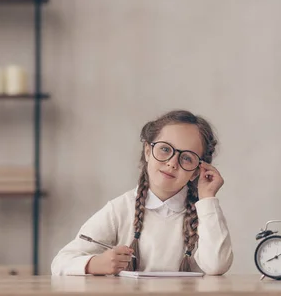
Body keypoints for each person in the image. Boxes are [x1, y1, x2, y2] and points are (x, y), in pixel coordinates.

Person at [51, 110, 233, 276]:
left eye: (186, 157)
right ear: (147, 151)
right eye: (165, 149)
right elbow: (61, 262)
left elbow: (216, 265)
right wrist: (96, 263)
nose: (172, 163)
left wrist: (208, 198)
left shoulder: (205, 214)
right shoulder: (120, 210)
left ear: (196, 171)